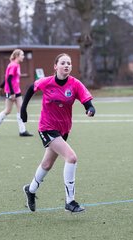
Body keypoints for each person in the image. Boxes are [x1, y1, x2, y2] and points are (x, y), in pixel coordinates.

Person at [21, 53, 95, 213]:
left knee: (47, 164)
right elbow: (30, 88)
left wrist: (90, 108)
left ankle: (30, 190)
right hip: (47, 128)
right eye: (63, 63)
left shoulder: (75, 84)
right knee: (71, 157)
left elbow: (86, 100)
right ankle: (70, 201)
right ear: (55, 66)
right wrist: (23, 109)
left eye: (69, 63)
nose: (66, 65)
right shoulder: (46, 82)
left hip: (63, 129)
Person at [0, 49, 33, 137]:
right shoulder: (13, 65)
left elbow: (8, 78)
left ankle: (22, 131)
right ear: (17, 56)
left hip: (17, 90)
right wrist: (12, 93)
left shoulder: (16, 64)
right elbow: (8, 79)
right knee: (7, 111)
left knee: (21, 109)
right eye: (22, 55)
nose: (23, 57)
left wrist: (1, 86)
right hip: (11, 91)